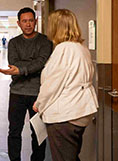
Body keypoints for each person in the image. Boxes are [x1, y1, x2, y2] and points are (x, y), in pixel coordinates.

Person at [33, 9, 99, 161]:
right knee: (71, 156)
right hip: (80, 112)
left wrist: (39, 103)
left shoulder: (64, 49)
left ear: (56, 27)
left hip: (65, 116)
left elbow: (53, 84)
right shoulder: (81, 48)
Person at [0, 7, 53, 161]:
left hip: (38, 94)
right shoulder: (14, 43)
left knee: (38, 132)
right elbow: (14, 64)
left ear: (35, 21)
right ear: (18, 23)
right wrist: (30, 66)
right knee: (14, 131)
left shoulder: (45, 41)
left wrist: (21, 70)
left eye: (30, 20)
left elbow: (41, 62)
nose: (28, 24)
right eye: (24, 21)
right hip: (17, 93)